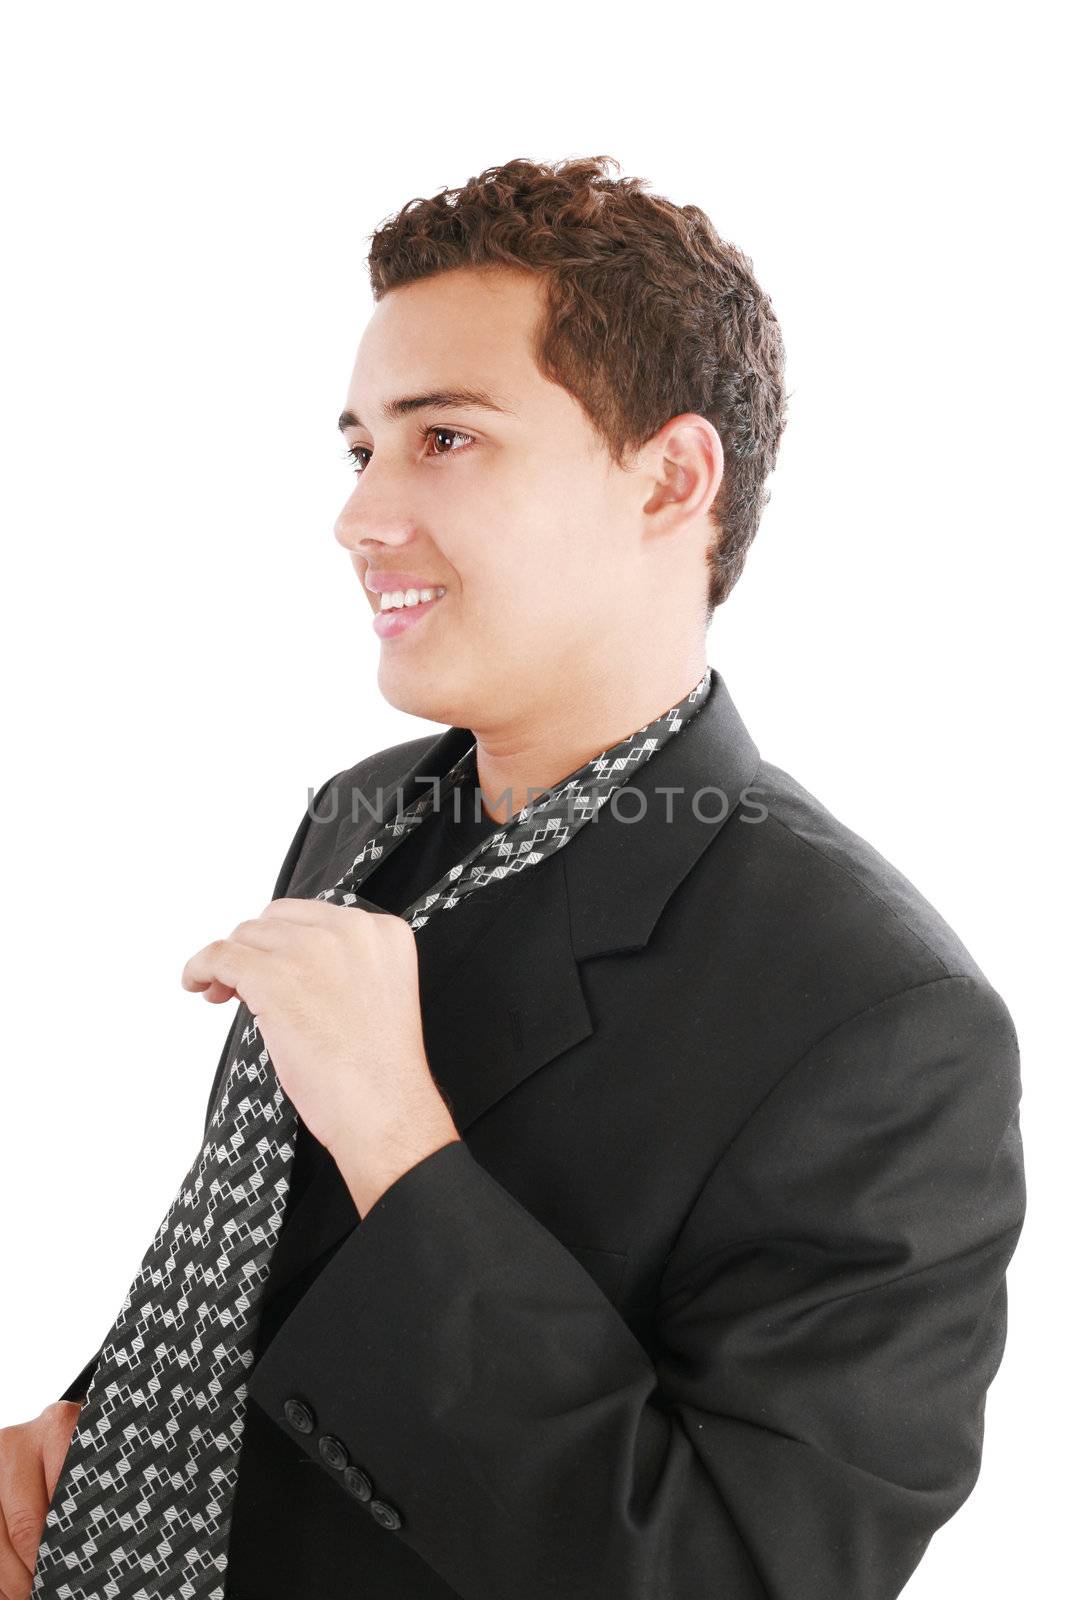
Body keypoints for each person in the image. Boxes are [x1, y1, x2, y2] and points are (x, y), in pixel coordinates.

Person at [5, 155, 1024, 1600]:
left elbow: (734, 1576)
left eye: (446, 442)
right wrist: (85, 1438)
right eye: (360, 448)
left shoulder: (884, 1017)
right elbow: (256, 1265)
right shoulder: (362, 815)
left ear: (674, 477)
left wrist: (400, 1144)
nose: (359, 518)